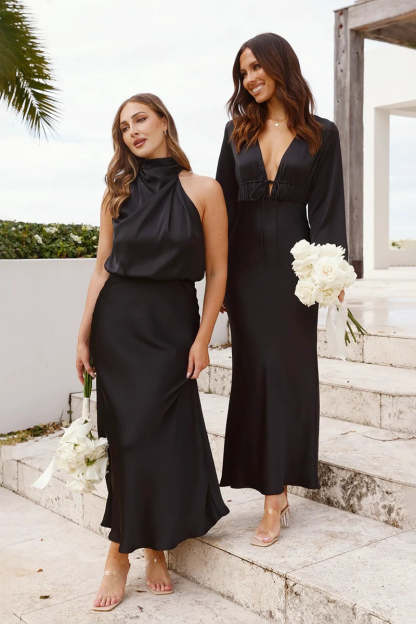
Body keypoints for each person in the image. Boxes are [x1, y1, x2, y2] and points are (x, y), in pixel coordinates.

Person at [76, 93, 229, 611]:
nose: (133, 131)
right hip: (119, 325)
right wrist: (83, 332)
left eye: (140, 119)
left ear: (164, 121)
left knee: (160, 437)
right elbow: (102, 267)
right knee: (128, 438)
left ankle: (156, 547)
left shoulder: (205, 190)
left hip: (173, 327)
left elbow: (218, 272)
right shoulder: (116, 194)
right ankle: (122, 552)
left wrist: (203, 338)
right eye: (124, 127)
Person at [215, 33, 348, 547]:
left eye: (256, 67)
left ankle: (277, 496)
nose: (250, 78)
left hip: (297, 274)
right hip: (246, 272)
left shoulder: (322, 133)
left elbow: (329, 207)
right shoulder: (236, 132)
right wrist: (218, 278)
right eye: (243, 72)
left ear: (279, 65)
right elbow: (222, 207)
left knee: (290, 376)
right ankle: (271, 487)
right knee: (254, 375)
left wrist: (331, 272)